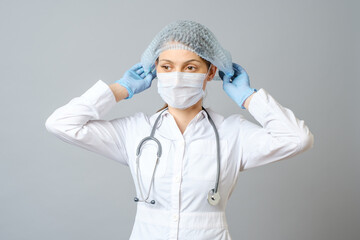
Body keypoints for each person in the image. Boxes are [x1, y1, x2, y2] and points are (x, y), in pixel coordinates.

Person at [45, 20, 314, 240]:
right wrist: (119, 90)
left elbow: (297, 139)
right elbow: (61, 123)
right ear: (156, 71)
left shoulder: (233, 134)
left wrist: (248, 97)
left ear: (210, 73)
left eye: (190, 67)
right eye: (166, 67)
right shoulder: (135, 131)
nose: (177, 75)